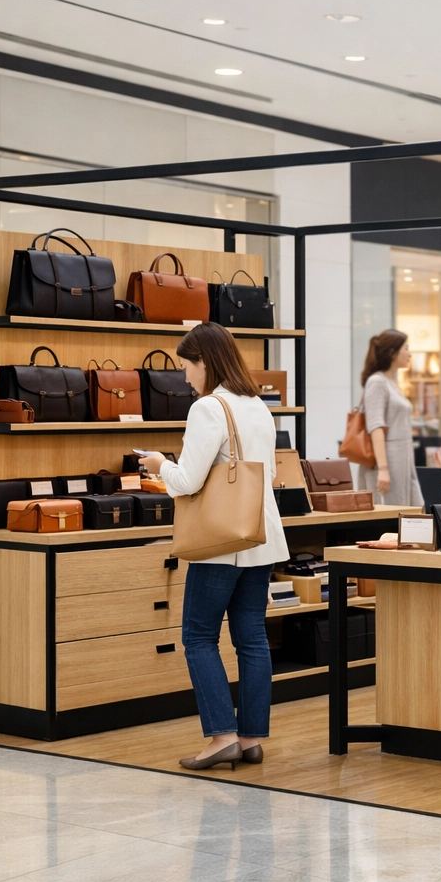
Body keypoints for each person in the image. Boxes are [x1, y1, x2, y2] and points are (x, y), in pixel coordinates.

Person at [138, 322, 288, 770]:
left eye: (186, 367)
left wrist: (160, 464)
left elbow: (187, 480)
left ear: (204, 361)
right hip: (260, 538)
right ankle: (250, 738)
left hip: (219, 544)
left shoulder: (209, 408)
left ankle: (221, 735)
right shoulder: (259, 406)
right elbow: (270, 476)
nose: (185, 378)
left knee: (199, 637)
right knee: (252, 638)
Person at [358, 329, 424, 507]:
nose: (409, 354)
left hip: (402, 460)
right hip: (388, 461)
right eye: (406, 348)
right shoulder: (377, 382)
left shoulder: (391, 382)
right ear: (392, 352)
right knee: (393, 518)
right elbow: (375, 426)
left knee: (413, 515)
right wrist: (383, 469)